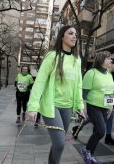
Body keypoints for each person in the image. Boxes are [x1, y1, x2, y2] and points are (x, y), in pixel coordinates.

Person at [27, 25, 85, 164]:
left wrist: (79, 105)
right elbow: (39, 82)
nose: (74, 37)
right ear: (62, 36)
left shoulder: (77, 60)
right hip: (51, 107)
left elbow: (78, 85)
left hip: (68, 107)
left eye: (75, 34)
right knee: (60, 143)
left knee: (58, 144)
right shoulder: (52, 56)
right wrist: (33, 106)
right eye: (70, 33)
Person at [81, 51, 114, 164]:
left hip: (105, 107)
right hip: (93, 106)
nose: (111, 61)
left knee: (97, 131)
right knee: (101, 131)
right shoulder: (91, 73)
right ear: (101, 60)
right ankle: (86, 150)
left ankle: (90, 155)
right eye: (109, 58)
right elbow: (84, 92)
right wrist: (83, 109)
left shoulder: (109, 74)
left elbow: (110, 90)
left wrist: (111, 106)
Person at [104, 57, 114, 145]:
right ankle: (107, 136)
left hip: (108, 98)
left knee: (110, 116)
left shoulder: (111, 74)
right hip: (101, 99)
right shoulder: (105, 73)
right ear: (111, 64)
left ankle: (108, 136)